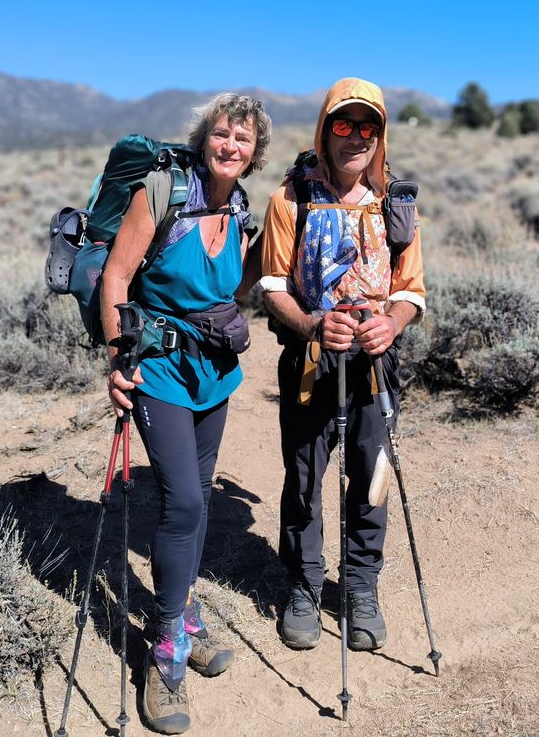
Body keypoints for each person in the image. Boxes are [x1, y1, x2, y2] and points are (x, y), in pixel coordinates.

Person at [101, 94, 270, 735]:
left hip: (215, 372)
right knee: (185, 505)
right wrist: (119, 360)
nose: (231, 146)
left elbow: (236, 282)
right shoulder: (161, 193)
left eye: (244, 139)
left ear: (255, 153)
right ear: (205, 139)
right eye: (222, 134)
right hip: (160, 370)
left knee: (197, 492)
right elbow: (117, 277)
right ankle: (164, 651)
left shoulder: (241, 207)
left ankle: (182, 607)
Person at [260, 77, 425, 652]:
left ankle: (359, 589)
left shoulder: (396, 204)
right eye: (343, 124)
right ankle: (304, 587)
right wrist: (310, 323)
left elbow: (411, 290)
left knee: (370, 476)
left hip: (376, 363)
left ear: (380, 135)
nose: (355, 137)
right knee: (304, 478)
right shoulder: (290, 199)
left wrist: (393, 322)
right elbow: (273, 286)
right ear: (325, 129)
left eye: (367, 126)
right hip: (311, 359)